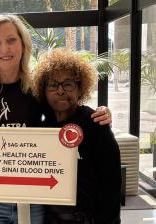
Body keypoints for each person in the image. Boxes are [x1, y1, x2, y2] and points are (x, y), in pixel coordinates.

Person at [0, 14, 113, 224]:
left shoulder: (37, 89)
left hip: (32, 197)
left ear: (23, 44)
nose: (4, 49)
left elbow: (68, 115)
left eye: (11, 40)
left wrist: (101, 113)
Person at [33, 48, 121, 224]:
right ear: (44, 91)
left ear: (80, 89)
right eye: (52, 84)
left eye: (68, 84)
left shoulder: (95, 124)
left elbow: (111, 185)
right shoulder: (41, 125)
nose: (60, 91)